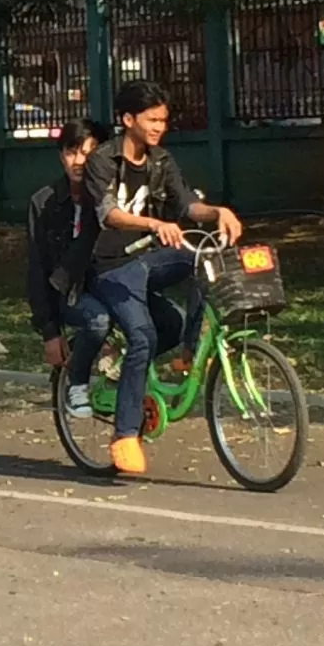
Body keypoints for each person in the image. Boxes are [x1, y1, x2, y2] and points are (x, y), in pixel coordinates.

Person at [83, 81, 245, 476]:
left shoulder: (161, 161)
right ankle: (125, 434)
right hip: (110, 266)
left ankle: (189, 352)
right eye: (151, 119)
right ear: (128, 119)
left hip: (148, 260)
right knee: (144, 337)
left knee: (201, 264)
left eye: (163, 120)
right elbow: (108, 214)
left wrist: (218, 212)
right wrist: (154, 224)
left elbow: (186, 204)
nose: (159, 127)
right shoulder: (102, 161)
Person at [26, 117, 109, 419]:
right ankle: (76, 382)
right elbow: (37, 268)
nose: (79, 162)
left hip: (110, 284)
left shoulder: (109, 198)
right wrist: (50, 331)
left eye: (89, 152)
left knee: (169, 322)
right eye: (72, 152)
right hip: (69, 293)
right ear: (61, 155)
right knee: (97, 321)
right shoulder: (44, 202)